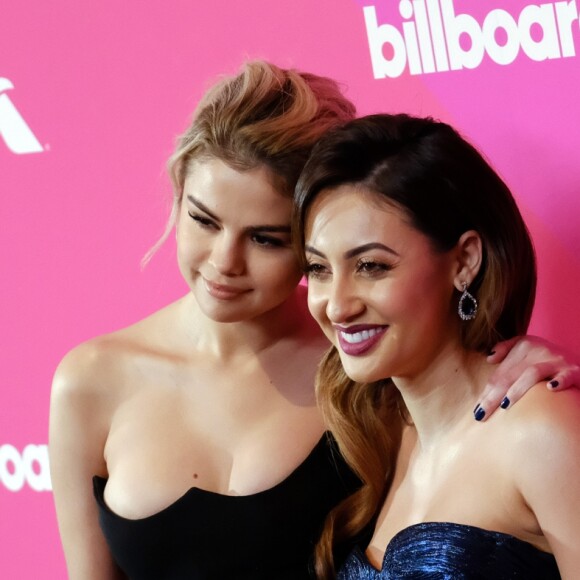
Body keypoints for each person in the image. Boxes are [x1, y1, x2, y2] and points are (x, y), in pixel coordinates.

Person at [49, 62, 577, 580]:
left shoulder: (366, 375)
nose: (223, 261)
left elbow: (471, 412)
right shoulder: (91, 381)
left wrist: (527, 364)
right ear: (177, 194)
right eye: (203, 219)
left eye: (267, 238)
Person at [294, 113, 580, 578]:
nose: (337, 305)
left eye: (370, 266)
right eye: (319, 269)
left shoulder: (541, 432)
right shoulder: (379, 433)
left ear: (464, 261)